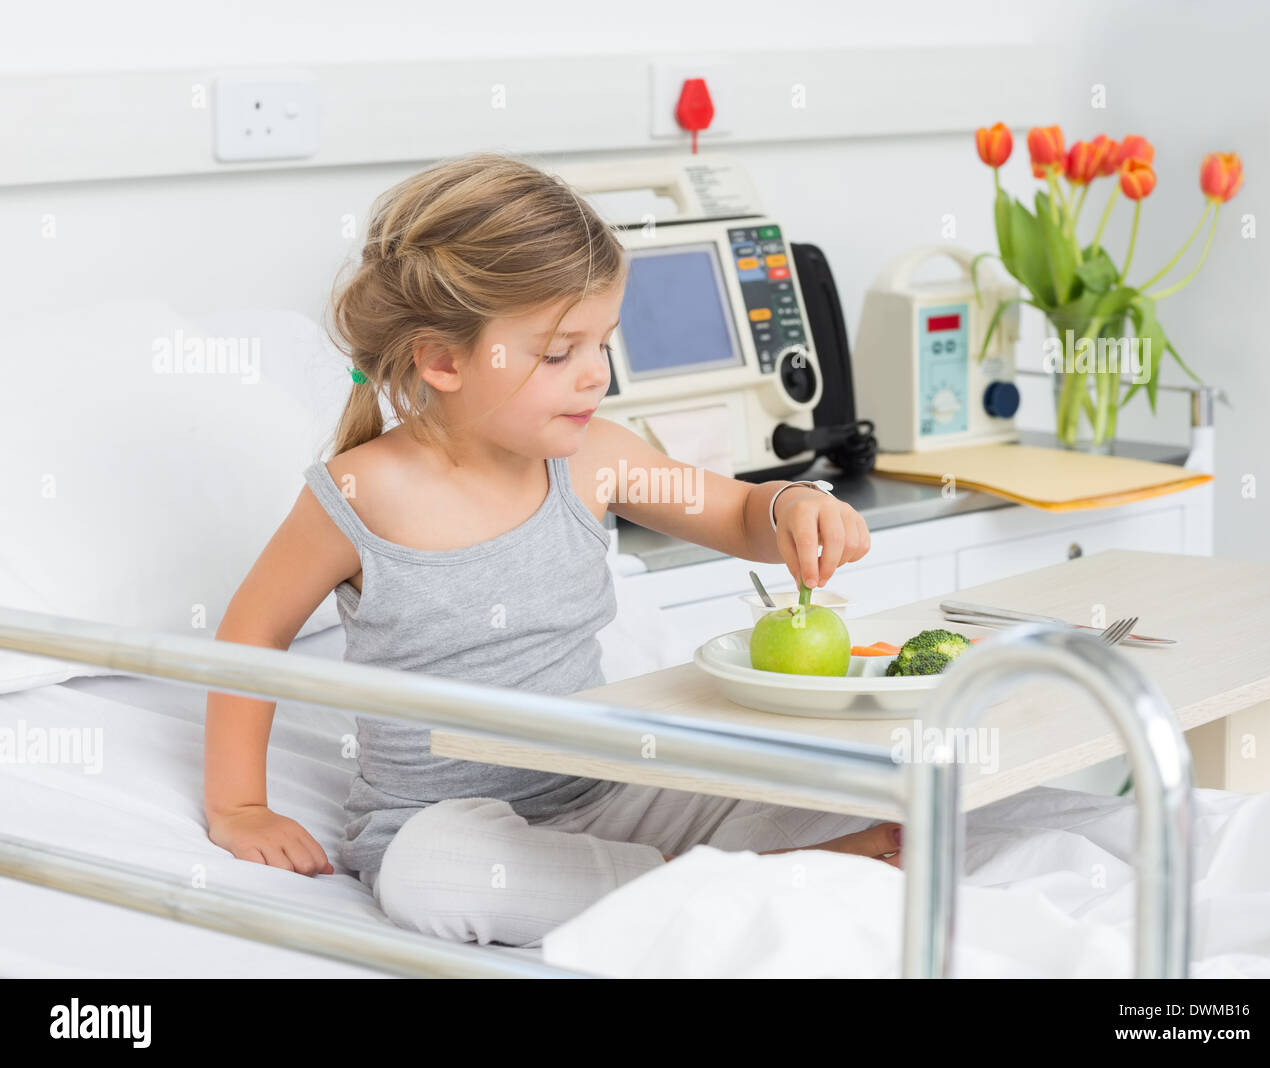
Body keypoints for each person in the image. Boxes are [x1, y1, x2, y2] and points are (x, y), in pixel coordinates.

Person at [204, 152, 902, 948]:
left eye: (604, 343)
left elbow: (739, 513)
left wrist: (794, 504)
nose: (594, 377)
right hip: (442, 821)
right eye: (558, 352)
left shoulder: (596, 460)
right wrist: (239, 806)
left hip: (609, 792)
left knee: (853, 784)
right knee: (427, 879)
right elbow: (252, 636)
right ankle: (715, 883)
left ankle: (704, 872)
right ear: (442, 359)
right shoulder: (362, 493)